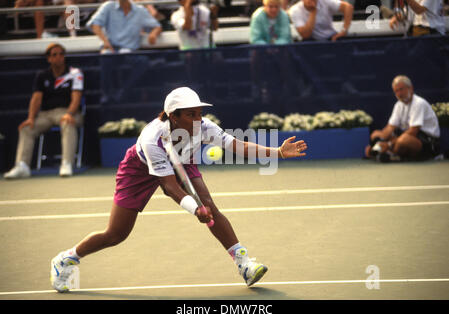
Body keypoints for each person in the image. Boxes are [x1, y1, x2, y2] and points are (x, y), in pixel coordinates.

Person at [50, 86, 308, 292]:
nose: (199, 120)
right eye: (191, 115)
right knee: (116, 234)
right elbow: (170, 187)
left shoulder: (204, 127)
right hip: (138, 170)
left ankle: (245, 264)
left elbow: (237, 146)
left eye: (199, 113)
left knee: (211, 207)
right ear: (173, 116)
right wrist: (195, 210)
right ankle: (67, 258)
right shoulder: (153, 138)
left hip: (183, 160)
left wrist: (277, 152)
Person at [3, 43, 84, 179]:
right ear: (49, 59)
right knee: (26, 128)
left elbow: (76, 98)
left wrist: (69, 114)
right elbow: (36, 99)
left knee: (68, 123)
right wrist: (30, 118)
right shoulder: (42, 75)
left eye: (61, 54)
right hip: (45, 114)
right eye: (54, 55)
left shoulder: (75, 73)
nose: (59, 57)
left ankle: (67, 163)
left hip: (68, 111)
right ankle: (22, 165)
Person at [86, 0, 163, 104]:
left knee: (143, 61)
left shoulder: (140, 10)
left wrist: (153, 34)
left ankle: (123, 91)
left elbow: (157, 26)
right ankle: (106, 95)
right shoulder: (108, 6)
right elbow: (94, 24)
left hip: (129, 52)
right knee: (105, 57)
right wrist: (105, 41)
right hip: (112, 50)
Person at [365, 75, 441, 162]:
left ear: (410, 88)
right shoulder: (398, 105)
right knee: (376, 133)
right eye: (396, 91)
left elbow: (413, 131)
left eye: (401, 89)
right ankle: (385, 153)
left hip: (428, 143)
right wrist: (378, 141)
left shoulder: (419, 103)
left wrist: (389, 144)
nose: (399, 94)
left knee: (403, 140)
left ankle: (389, 153)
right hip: (408, 137)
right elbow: (390, 128)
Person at [289, 0, 354, 41]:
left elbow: (348, 7)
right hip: (310, 40)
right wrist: (313, 12)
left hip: (331, 36)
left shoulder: (325, 1)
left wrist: (344, 31)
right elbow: (306, 35)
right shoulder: (295, 10)